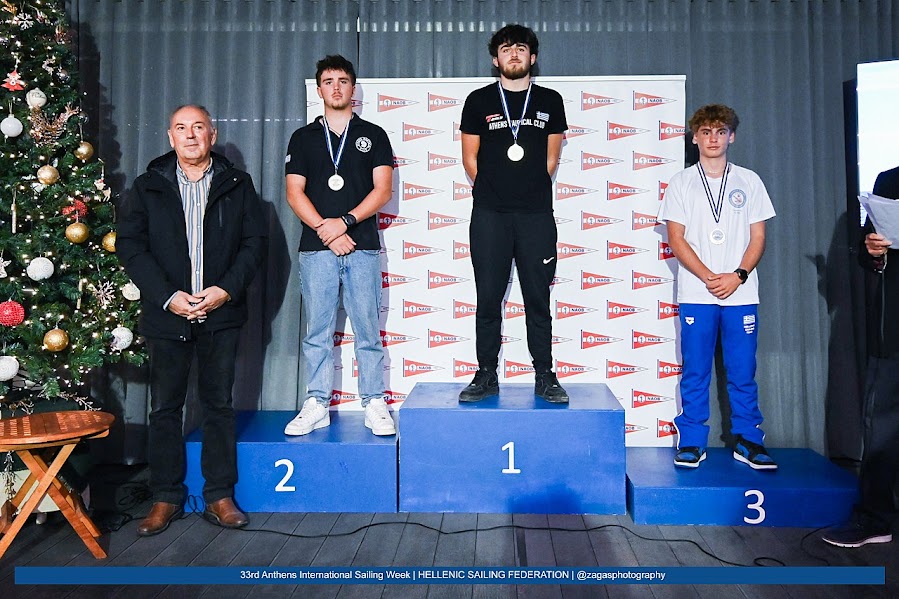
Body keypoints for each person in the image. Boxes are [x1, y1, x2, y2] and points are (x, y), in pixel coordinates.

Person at [117, 105, 266, 535]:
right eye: (181, 128)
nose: (190, 135)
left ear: (212, 135)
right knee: (165, 408)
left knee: (218, 405)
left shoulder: (238, 184)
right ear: (170, 137)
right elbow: (130, 246)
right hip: (168, 315)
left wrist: (225, 291)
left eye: (198, 127)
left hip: (220, 312)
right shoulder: (148, 186)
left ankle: (220, 495)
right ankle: (165, 496)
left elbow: (255, 243)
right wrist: (168, 297)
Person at [656, 104, 777, 470]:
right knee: (695, 371)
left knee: (742, 372)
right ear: (695, 138)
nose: (713, 139)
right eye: (706, 132)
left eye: (720, 132)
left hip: (741, 292)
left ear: (731, 136)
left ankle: (748, 440)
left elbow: (758, 237)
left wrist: (737, 275)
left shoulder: (749, 181)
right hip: (697, 292)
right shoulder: (681, 182)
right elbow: (676, 238)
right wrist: (709, 275)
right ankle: (692, 440)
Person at [283, 55, 396, 437]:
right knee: (317, 331)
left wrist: (344, 222)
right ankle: (317, 402)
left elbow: (383, 191)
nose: (336, 87)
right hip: (317, 250)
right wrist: (327, 230)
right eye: (329, 81)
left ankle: (374, 401)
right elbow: (294, 193)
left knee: (367, 329)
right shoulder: (303, 138)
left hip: (362, 246)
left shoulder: (374, 135)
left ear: (353, 88)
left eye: (343, 81)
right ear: (319, 90)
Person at [457, 24, 569, 404]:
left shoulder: (550, 100)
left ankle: (545, 374)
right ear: (496, 59)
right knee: (488, 298)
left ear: (532, 57)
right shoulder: (478, 101)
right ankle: (485, 373)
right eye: (506, 49)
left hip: (536, 215)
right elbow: (469, 158)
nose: (514, 54)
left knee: (538, 299)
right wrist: (495, 190)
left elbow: (551, 159)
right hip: (490, 214)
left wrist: (527, 189)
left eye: (521, 48)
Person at [822, 165, 899, 547]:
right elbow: (869, 255)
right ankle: (876, 518)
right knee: (882, 425)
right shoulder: (890, 180)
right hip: (895, 323)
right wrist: (875, 252)